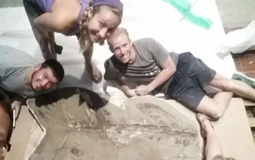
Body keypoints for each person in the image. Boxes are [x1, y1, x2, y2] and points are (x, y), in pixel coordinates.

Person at [104, 27, 255, 119]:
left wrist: (148, 88)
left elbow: (170, 68)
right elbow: (114, 77)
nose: (122, 51)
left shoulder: (147, 45)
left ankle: (234, 85)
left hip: (183, 65)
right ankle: (230, 85)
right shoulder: (111, 65)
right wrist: (127, 91)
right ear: (111, 50)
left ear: (130, 42)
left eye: (125, 45)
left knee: (226, 84)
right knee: (216, 112)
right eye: (117, 48)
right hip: (173, 87)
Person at [0, 41, 65, 120]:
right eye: (45, 76)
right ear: (37, 67)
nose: (43, 84)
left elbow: (27, 93)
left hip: (3, 77)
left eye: (50, 83)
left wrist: (18, 100)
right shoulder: (11, 65)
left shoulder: (48, 87)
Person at [23, 0, 123, 83]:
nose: (102, 34)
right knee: (48, 47)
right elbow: (37, 23)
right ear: (91, 12)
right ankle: (51, 67)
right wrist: (46, 38)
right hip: (36, 5)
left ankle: (88, 63)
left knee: (87, 38)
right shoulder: (61, 21)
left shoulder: (93, 12)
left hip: (64, 12)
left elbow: (87, 40)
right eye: (101, 24)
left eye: (110, 29)